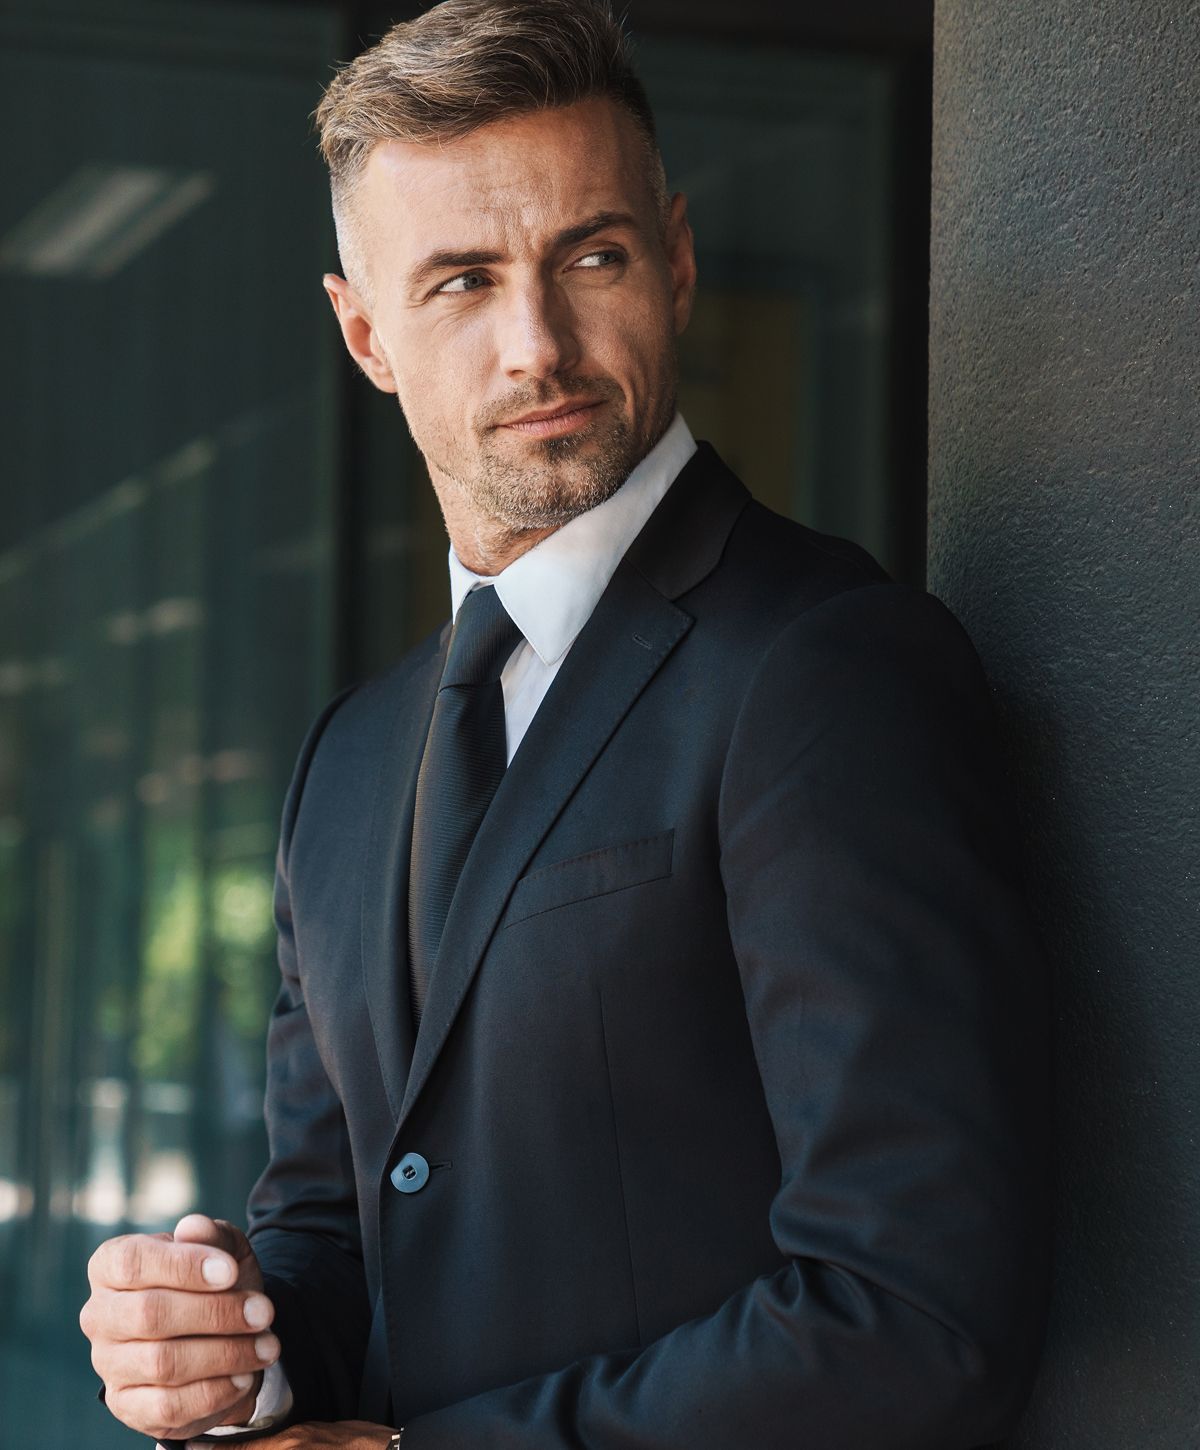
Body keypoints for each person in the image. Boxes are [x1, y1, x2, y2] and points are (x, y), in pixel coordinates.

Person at [80, 2, 1052, 1446]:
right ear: (366, 333)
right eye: (461, 282)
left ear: (674, 258)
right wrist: (233, 1356)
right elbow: (334, 1232)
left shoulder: (827, 667)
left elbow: (914, 1305)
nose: (537, 344)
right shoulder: (345, 764)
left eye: (588, 255)